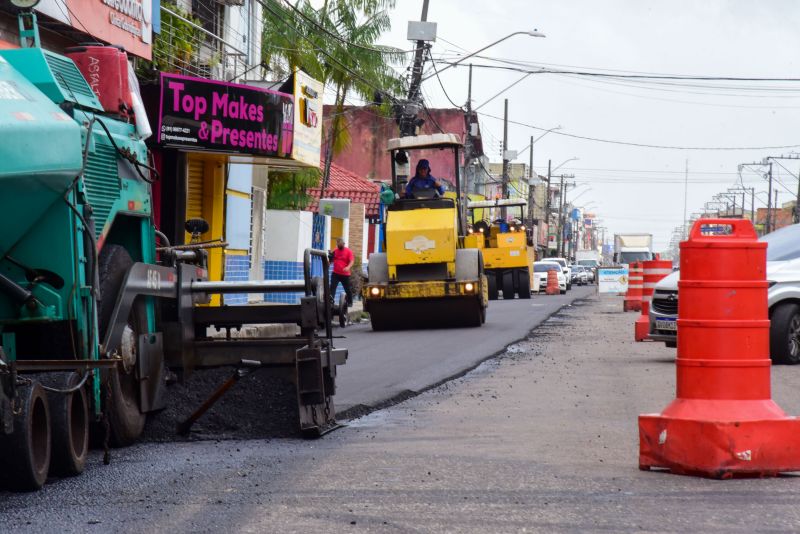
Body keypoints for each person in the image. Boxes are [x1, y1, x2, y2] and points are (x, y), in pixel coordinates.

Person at [330, 238, 354, 308]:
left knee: (347, 289)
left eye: (340, 244)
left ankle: (350, 302)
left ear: (343, 244)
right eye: (338, 244)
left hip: (345, 275)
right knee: (332, 287)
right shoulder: (335, 251)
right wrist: (329, 262)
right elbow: (331, 260)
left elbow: (351, 261)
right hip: (335, 273)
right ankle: (331, 302)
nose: (339, 246)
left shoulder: (348, 251)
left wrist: (348, 267)